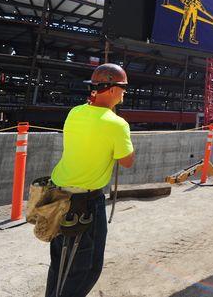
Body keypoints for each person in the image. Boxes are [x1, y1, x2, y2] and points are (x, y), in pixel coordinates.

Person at [45, 63, 135, 297]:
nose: (125, 92)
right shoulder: (117, 124)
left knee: (61, 263)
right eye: (123, 87)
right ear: (113, 89)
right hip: (84, 203)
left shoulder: (75, 112)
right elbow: (127, 161)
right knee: (84, 268)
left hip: (58, 197)